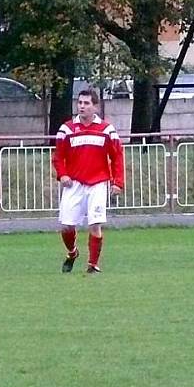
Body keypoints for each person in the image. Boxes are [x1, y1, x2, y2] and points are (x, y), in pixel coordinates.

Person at [52, 88, 125, 274]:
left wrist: (118, 181)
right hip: (74, 183)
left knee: (95, 224)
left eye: (86, 103)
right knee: (67, 226)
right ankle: (72, 252)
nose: (82, 106)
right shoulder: (67, 129)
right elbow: (58, 157)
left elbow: (117, 156)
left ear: (95, 106)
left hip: (98, 183)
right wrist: (63, 174)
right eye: (80, 103)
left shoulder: (106, 130)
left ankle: (93, 265)